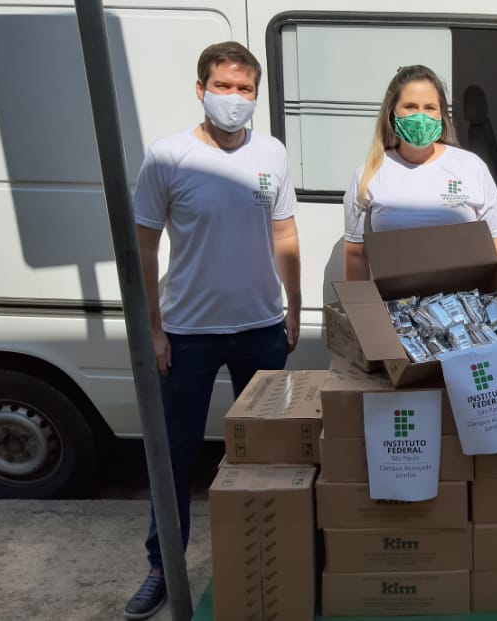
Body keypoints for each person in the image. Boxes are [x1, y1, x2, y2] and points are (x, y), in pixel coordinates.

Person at [124, 41, 301, 619]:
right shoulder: (168, 156)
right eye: (222, 86)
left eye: (244, 89)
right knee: (174, 457)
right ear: (200, 90)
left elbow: (284, 234)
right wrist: (153, 329)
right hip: (188, 334)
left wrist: (294, 307)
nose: (233, 98)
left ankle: (274, 557)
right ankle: (163, 566)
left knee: (270, 453)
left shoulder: (272, 153)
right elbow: (143, 246)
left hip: (261, 327)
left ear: (256, 95)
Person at [343, 65, 497, 280]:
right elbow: (356, 255)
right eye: (410, 107)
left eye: (429, 107)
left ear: (441, 114)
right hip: (393, 300)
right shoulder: (369, 174)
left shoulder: (471, 168)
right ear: (392, 112)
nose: (420, 117)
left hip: (461, 299)